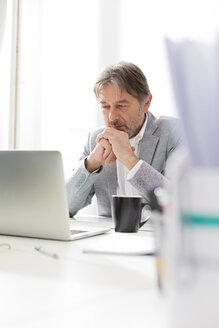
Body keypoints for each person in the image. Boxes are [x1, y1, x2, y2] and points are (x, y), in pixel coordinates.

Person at [66, 62, 182, 220]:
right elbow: (65, 206)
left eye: (121, 106)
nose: (112, 117)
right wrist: (91, 163)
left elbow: (178, 205)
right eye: (105, 106)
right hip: (111, 240)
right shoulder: (95, 139)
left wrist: (130, 159)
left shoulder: (174, 132)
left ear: (146, 103)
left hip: (158, 240)